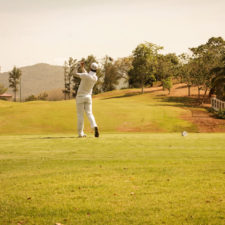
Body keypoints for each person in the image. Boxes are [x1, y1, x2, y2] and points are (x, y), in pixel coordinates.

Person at [74, 62, 99, 138]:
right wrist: (82, 67)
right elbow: (86, 74)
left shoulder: (85, 76)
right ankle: (94, 125)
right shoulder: (95, 78)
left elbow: (74, 73)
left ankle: (80, 133)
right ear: (96, 70)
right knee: (89, 113)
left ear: (90, 68)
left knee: (80, 115)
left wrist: (77, 66)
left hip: (80, 97)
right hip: (88, 97)